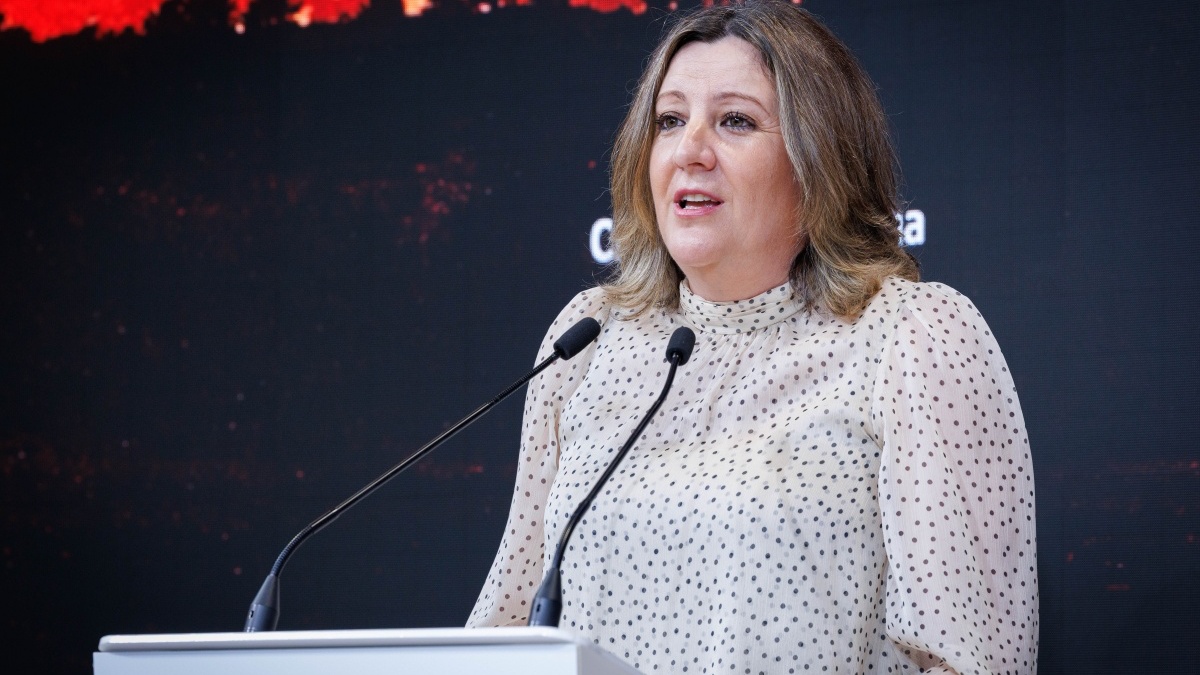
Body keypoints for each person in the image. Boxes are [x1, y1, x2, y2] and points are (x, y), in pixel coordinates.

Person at [467, 2, 1039, 673]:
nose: (689, 151)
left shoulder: (909, 336)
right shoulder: (588, 339)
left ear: (817, 159)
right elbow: (509, 628)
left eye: (735, 120)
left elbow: (970, 660)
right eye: (669, 121)